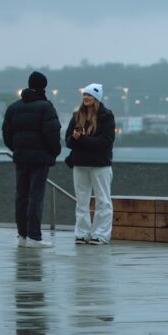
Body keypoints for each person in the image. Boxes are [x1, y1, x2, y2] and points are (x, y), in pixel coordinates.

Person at [1, 70, 62, 248]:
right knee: (36, 196)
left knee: (21, 196)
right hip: (40, 159)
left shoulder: (13, 108)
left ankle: (22, 235)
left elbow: (7, 135)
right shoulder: (46, 107)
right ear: (44, 86)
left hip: (21, 158)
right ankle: (34, 236)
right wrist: (54, 152)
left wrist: (17, 149)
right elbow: (52, 134)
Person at [66, 82, 115, 245]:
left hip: (100, 165)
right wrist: (75, 138)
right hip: (80, 164)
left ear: (97, 98)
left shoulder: (106, 116)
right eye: (85, 95)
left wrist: (83, 140)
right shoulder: (76, 115)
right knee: (81, 200)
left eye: (90, 95)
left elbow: (105, 142)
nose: (86, 98)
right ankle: (82, 233)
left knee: (103, 200)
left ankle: (101, 234)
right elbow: (68, 142)